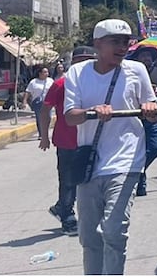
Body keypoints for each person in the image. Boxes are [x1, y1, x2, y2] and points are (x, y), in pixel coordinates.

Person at [64, 19, 157, 275]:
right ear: (97, 44)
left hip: (126, 160)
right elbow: (70, 116)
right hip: (90, 164)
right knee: (89, 236)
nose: (122, 47)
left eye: (126, 41)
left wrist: (150, 109)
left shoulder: (137, 70)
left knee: (114, 230)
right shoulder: (77, 72)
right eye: (115, 41)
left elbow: (151, 109)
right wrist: (91, 112)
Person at [38, 45, 97, 236]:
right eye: (81, 60)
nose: (85, 64)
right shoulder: (61, 84)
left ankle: (60, 207)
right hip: (66, 140)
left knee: (86, 180)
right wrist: (44, 136)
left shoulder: (95, 83)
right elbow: (45, 110)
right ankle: (67, 217)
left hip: (89, 139)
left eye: (89, 60)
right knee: (68, 180)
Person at [130, 45, 157, 196]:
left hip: (153, 120)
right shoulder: (131, 73)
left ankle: (137, 173)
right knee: (135, 151)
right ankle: (140, 182)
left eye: (149, 55)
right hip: (135, 119)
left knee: (154, 148)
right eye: (143, 55)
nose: (147, 58)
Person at [23, 66, 54, 131]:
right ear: (40, 73)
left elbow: (55, 91)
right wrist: (24, 101)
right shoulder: (33, 82)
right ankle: (41, 133)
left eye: (47, 72)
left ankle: (45, 131)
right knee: (39, 118)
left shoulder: (50, 81)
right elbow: (27, 91)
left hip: (48, 103)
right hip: (38, 103)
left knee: (48, 117)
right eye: (45, 72)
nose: (47, 74)